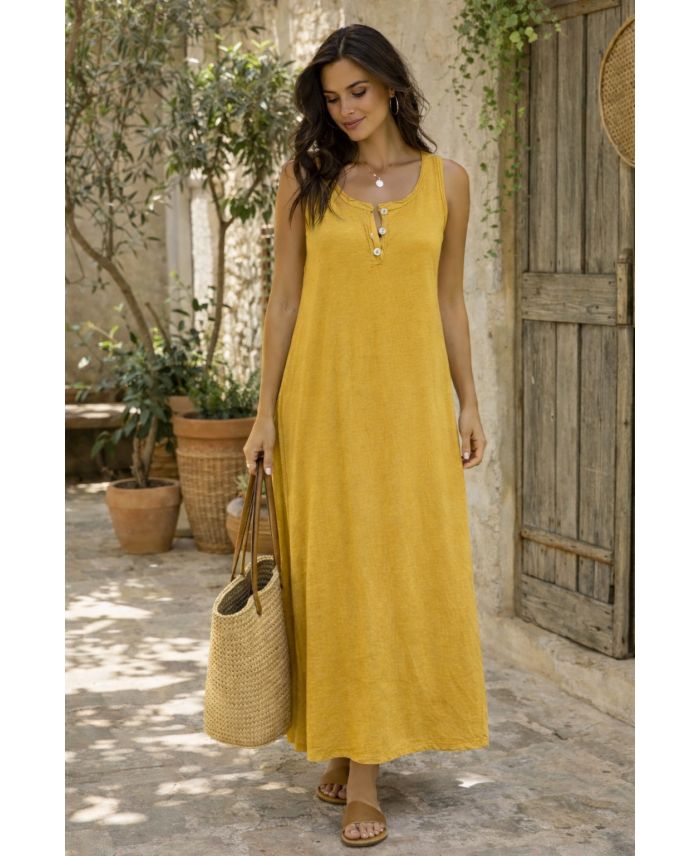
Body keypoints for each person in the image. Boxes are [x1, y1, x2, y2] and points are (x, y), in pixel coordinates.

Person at [243, 23, 489, 848]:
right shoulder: (305, 181)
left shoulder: (449, 183)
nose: (346, 108)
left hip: (409, 412)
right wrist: (264, 413)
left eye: (359, 90)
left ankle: (366, 769)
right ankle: (351, 749)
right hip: (321, 407)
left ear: (390, 86)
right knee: (337, 576)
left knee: (392, 570)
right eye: (332, 96)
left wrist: (469, 401)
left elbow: (450, 300)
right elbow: (283, 302)